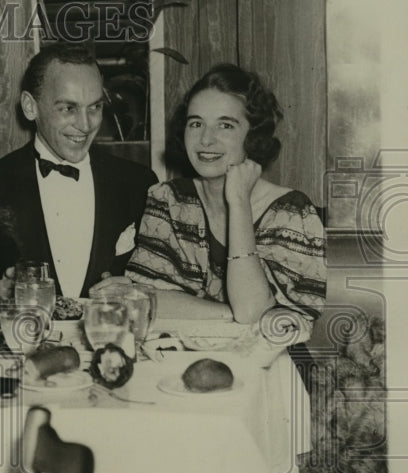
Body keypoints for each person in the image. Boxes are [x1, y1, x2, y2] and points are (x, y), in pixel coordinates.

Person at [0, 42, 158, 300]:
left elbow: (161, 287)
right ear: (30, 106)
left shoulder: (138, 182)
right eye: (68, 108)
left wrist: (136, 291)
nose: (86, 124)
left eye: (95, 107)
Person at [123, 63, 326, 324]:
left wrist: (239, 202)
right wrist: (230, 314)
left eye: (225, 126)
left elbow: (253, 311)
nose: (206, 140)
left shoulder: (290, 214)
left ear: (252, 136)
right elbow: (143, 300)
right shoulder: (171, 200)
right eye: (196, 124)